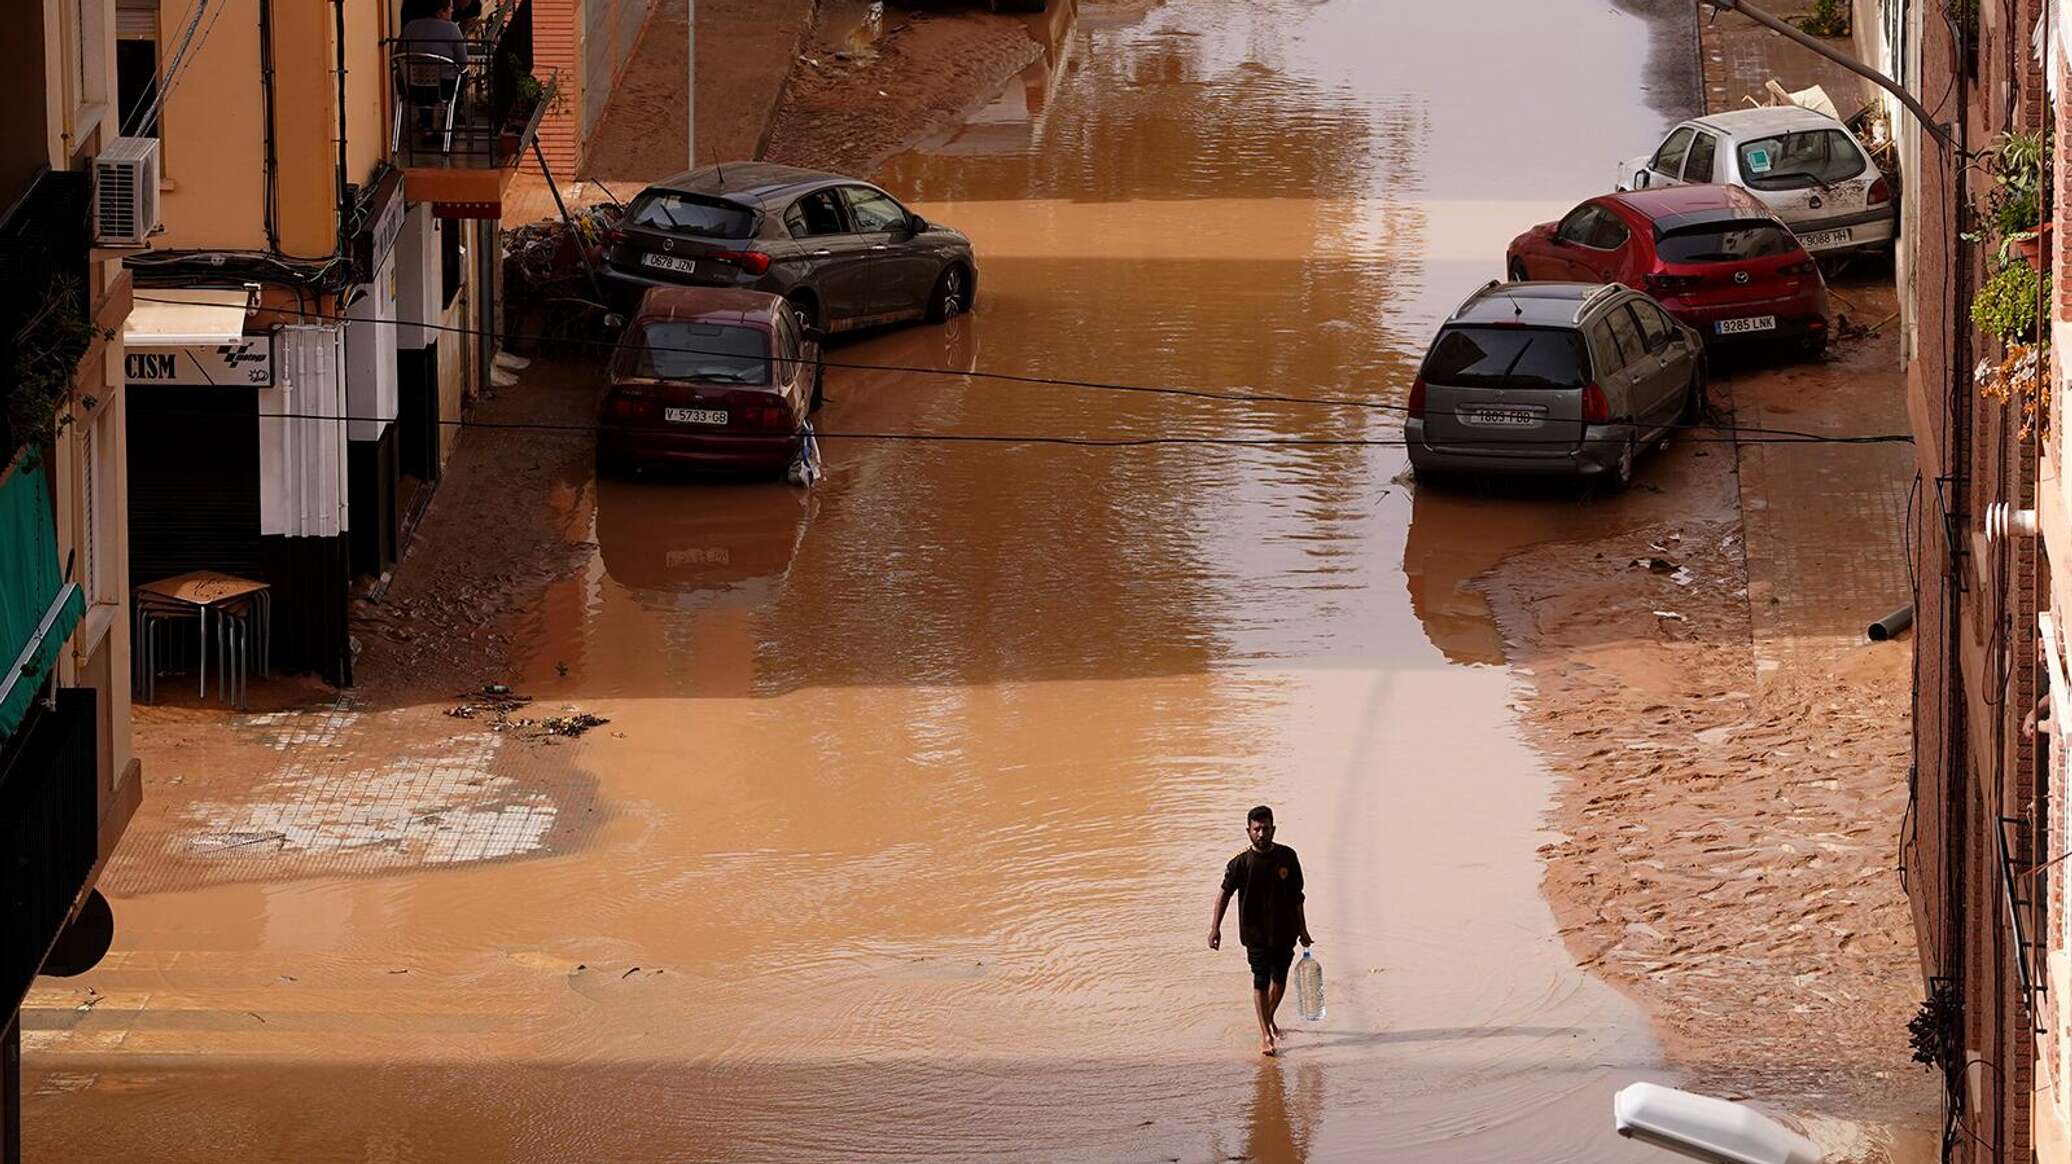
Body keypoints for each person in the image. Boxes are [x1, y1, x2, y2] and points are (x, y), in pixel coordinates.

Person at [1209, 805, 1312, 1057]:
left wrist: (1303, 930)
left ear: (1273, 829)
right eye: (1256, 829)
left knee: (1280, 980)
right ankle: (1266, 1035)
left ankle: (1268, 1017)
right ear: (1248, 831)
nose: (1261, 834)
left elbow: (1297, 897)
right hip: (1255, 934)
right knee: (1261, 980)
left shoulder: (1288, 857)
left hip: (1285, 931)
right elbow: (1223, 895)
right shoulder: (1240, 864)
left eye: (1266, 828)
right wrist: (1215, 928)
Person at [399, 0, 470, 137]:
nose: (452, 11)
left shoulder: (410, 26)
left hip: (413, 88)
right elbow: (463, 62)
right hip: (444, 89)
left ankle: (426, 125)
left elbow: (399, 53)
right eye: (450, 8)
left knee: (425, 89)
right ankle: (446, 125)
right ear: (440, 12)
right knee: (462, 77)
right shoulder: (452, 29)